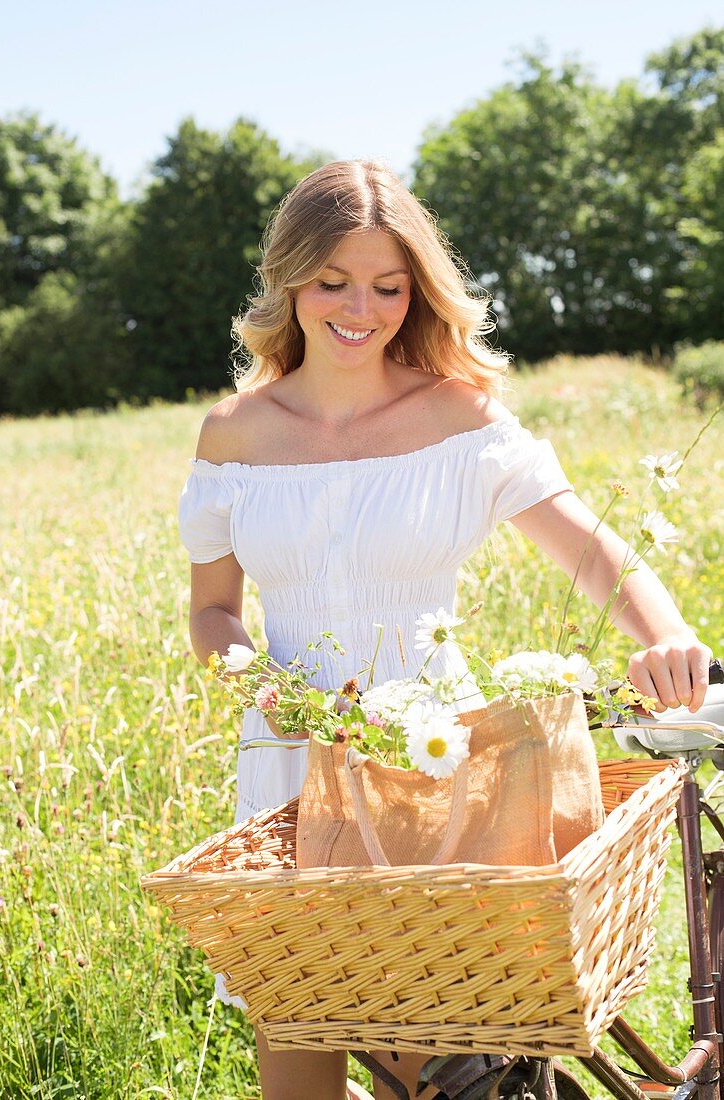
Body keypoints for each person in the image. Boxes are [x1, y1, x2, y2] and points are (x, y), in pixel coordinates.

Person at [178, 159, 712, 1100]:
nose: (361, 308)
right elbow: (212, 609)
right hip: (287, 761)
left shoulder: (460, 416)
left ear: (416, 290)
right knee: (294, 1065)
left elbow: (588, 547)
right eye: (333, 282)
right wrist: (258, 683)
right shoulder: (234, 433)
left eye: (388, 286)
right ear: (290, 279)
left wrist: (663, 631)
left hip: (436, 765)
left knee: (432, 1069)